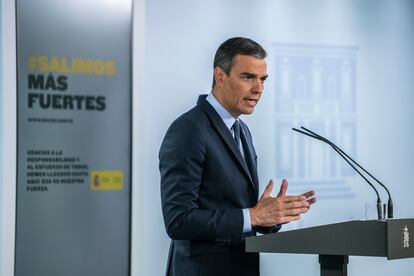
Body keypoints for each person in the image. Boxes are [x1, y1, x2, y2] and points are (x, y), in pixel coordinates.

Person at [159, 37, 316, 276]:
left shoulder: (242, 130)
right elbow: (178, 220)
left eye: (262, 79)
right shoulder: (188, 130)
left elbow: (238, 211)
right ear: (220, 76)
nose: (258, 89)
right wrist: (253, 215)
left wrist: (269, 215)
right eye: (248, 77)